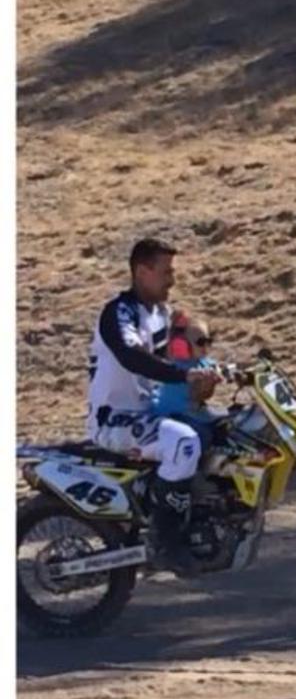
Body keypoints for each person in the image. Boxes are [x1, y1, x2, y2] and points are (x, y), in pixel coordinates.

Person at [87, 238, 219, 576]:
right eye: (166, 272)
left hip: (150, 413)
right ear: (142, 271)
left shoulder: (161, 314)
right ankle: (165, 541)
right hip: (115, 419)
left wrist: (206, 376)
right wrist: (183, 375)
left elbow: (181, 357)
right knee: (184, 442)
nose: (172, 280)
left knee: (222, 431)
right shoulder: (119, 313)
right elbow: (133, 357)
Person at [151, 312, 225, 450]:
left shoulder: (202, 361)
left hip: (191, 411)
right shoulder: (180, 367)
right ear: (182, 345)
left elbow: (214, 366)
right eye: (200, 342)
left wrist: (223, 372)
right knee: (203, 437)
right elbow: (196, 395)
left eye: (208, 341)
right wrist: (209, 383)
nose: (205, 346)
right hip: (174, 414)